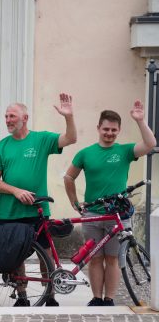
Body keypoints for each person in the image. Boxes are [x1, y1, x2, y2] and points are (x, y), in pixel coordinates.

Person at [64, 101, 156, 306]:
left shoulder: (124, 151)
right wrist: (75, 203)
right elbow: (69, 177)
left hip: (118, 215)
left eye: (114, 130)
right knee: (95, 258)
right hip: (93, 214)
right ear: (98, 128)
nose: (109, 133)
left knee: (113, 258)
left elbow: (150, 144)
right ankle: (96, 298)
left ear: (119, 130)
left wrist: (140, 121)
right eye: (106, 129)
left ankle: (109, 299)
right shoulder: (86, 153)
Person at [0, 93, 77, 306]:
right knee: (16, 256)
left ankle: (50, 295)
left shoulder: (41, 139)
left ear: (25, 118)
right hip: (9, 211)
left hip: (37, 210)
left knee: (45, 253)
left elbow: (71, 138)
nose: (8, 120)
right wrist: (16, 191)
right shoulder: (2, 145)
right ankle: (22, 296)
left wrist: (69, 116)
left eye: (12, 116)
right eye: (6, 116)